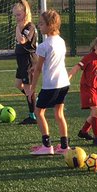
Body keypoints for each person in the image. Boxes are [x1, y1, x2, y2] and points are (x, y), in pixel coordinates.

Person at [26, 10, 70, 155]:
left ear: (50, 25)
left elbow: (38, 69)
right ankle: (64, 146)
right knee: (59, 113)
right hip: (63, 83)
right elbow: (52, 62)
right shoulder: (61, 41)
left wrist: (32, 88)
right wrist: (37, 66)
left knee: (39, 112)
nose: (39, 26)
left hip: (51, 85)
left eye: (42, 23)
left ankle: (47, 146)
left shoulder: (43, 46)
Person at [70, 35, 97, 147]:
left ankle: (83, 132)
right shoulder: (89, 58)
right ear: (96, 48)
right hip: (88, 88)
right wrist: (67, 78)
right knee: (96, 112)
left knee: (95, 113)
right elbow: (76, 67)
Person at [11, 0, 38, 125]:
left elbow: (22, 40)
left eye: (18, 14)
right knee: (18, 84)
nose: (16, 17)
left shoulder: (29, 26)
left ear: (25, 13)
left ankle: (33, 116)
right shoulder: (22, 26)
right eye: (15, 15)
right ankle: (34, 99)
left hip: (28, 62)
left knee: (28, 89)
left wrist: (17, 28)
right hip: (21, 62)